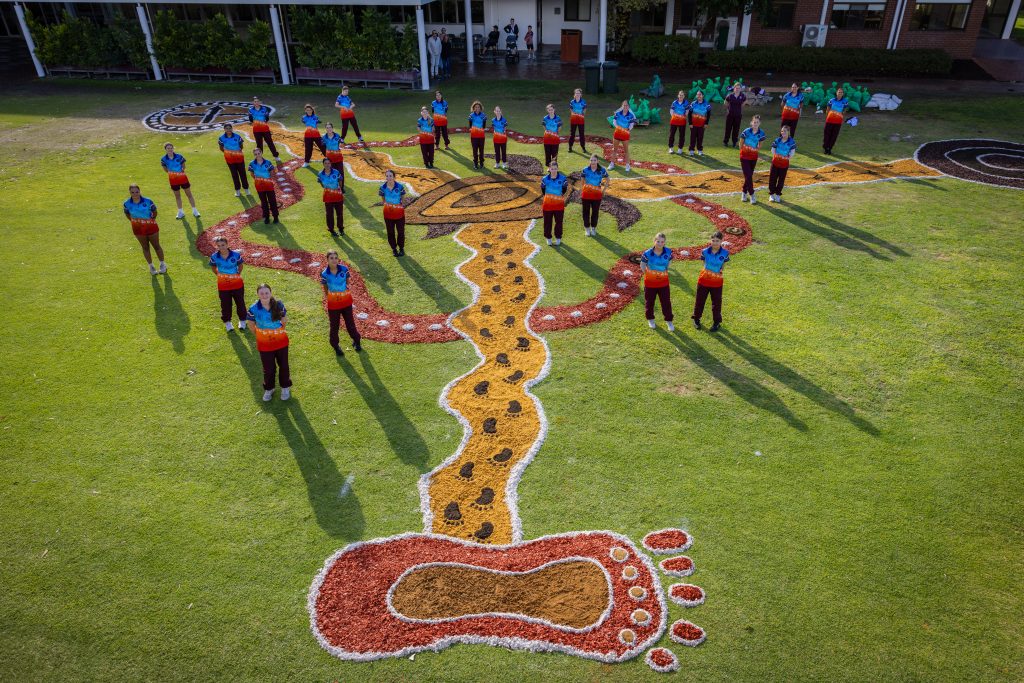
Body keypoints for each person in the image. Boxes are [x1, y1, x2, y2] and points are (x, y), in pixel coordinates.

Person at [246, 283, 291, 401]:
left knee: (284, 365)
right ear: (258, 294)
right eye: (262, 293)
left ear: (270, 293)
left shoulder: (279, 305)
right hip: (264, 344)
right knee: (268, 368)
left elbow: (284, 320)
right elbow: (251, 324)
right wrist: (259, 334)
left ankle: (285, 387)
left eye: (267, 292)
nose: (264, 295)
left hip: (281, 342)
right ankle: (269, 388)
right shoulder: (253, 309)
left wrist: (279, 331)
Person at [320, 249, 362, 355]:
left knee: (350, 324)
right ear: (327, 260)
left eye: (335, 258)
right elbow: (325, 288)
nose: (334, 260)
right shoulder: (324, 274)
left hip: (346, 302)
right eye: (331, 258)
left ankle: (357, 341)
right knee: (334, 326)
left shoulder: (344, 269)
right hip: (333, 305)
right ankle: (336, 346)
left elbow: (347, 282)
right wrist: (330, 296)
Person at [123, 184, 165, 274]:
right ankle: (151, 266)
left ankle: (162, 264)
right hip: (137, 229)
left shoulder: (148, 201)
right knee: (145, 247)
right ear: (130, 193)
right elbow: (127, 214)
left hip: (151, 227)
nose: (135, 194)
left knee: (156, 246)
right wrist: (135, 222)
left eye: (137, 192)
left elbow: (155, 212)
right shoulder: (126, 203)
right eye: (132, 192)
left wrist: (150, 220)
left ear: (140, 191)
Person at [692, 231, 729, 332]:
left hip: (717, 282)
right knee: (700, 300)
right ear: (710, 240)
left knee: (716, 302)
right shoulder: (704, 251)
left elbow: (723, 266)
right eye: (713, 240)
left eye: (717, 241)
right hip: (703, 280)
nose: (715, 243)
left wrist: (718, 272)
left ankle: (716, 323)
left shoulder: (725, 253)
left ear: (721, 241)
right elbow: (704, 263)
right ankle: (696, 319)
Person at [209, 236, 246, 331]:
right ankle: (228, 323)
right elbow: (213, 268)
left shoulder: (236, 255)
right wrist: (219, 274)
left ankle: (242, 321)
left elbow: (240, 265)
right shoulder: (214, 257)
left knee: (240, 302)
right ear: (217, 246)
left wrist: (237, 274)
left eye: (223, 245)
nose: (221, 247)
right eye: (219, 246)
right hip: (223, 285)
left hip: (237, 283)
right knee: (225, 304)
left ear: (227, 244)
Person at [640, 232, 674, 331]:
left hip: (663, 283)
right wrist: (648, 274)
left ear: (664, 243)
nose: (660, 243)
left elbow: (669, 263)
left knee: (666, 302)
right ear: (654, 241)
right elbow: (642, 265)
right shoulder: (647, 253)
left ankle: (669, 321)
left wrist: (664, 271)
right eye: (658, 241)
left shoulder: (668, 252)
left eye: (662, 242)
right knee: (649, 302)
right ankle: (650, 319)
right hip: (650, 283)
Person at [159, 143, 199, 219]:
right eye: (168, 148)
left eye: (171, 148)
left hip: (183, 178)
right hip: (173, 179)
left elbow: (183, 164)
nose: (170, 149)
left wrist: (182, 171)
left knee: (189, 194)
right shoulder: (163, 159)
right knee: (177, 196)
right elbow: (165, 169)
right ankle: (181, 212)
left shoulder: (179, 156)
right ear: (165, 149)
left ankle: (195, 210)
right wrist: (172, 174)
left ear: (173, 148)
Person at [540, 160, 569, 246]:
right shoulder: (544, 179)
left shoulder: (563, 178)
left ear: (558, 169)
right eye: (552, 169)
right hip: (547, 205)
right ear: (549, 169)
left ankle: (558, 238)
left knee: (559, 222)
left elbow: (564, 189)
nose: (554, 170)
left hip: (559, 205)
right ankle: (548, 238)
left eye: (555, 169)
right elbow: (543, 191)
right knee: (547, 221)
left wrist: (557, 197)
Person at [738, 114, 766, 204]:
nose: (755, 124)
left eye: (757, 122)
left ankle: (743, 192)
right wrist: (743, 151)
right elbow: (741, 142)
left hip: (753, 157)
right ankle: (752, 194)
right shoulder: (746, 131)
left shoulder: (761, 133)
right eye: (754, 122)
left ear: (760, 123)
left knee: (748, 176)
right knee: (749, 175)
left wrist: (755, 150)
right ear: (751, 122)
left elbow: (760, 144)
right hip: (744, 156)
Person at [580, 153, 609, 237]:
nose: (593, 162)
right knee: (585, 212)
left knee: (595, 212)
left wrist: (603, 190)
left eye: (594, 160)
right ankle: (587, 229)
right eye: (591, 160)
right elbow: (582, 179)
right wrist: (583, 188)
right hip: (586, 195)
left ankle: (593, 228)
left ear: (597, 161)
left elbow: (608, 179)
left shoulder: (602, 170)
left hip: (597, 195)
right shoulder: (585, 169)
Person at [379, 169, 407, 257]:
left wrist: (401, 206)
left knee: (401, 232)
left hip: (399, 214)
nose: (388, 177)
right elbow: (383, 198)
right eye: (387, 176)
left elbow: (403, 197)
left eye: (390, 176)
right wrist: (387, 205)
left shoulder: (400, 187)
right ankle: (394, 249)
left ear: (394, 177)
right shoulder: (382, 187)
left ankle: (401, 248)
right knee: (390, 232)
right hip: (388, 214)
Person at [218, 123, 250, 197]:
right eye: (227, 128)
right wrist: (228, 153)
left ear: (232, 129)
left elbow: (241, 146)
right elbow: (221, 148)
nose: (228, 130)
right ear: (224, 129)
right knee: (234, 175)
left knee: (243, 174)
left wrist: (236, 153)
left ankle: (246, 189)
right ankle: (237, 190)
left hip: (239, 158)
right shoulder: (221, 138)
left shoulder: (237, 136)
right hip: (229, 160)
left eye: (230, 128)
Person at [248, 147, 279, 224]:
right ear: (254, 155)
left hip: (269, 185)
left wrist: (268, 180)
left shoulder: (268, 162)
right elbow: (252, 174)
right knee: (263, 202)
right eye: (256, 154)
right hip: (259, 186)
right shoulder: (251, 163)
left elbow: (272, 172)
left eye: (259, 153)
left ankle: (275, 217)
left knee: (272, 201)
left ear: (261, 153)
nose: (257, 155)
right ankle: (267, 217)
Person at [768, 125, 796, 203]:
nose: (783, 132)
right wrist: (778, 157)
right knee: (772, 179)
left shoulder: (792, 142)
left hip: (784, 165)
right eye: (782, 131)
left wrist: (785, 158)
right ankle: (771, 195)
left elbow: (792, 153)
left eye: (785, 131)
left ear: (788, 132)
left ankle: (778, 195)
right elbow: (773, 150)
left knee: (781, 180)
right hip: (775, 163)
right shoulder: (777, 140)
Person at [248, 97, 281, 163]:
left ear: (260, 102)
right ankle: (260, 158)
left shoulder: (264, 109)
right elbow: (251, 119)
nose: (256, 103)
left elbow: (267, 118)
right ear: (253, 102)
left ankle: (276, 156)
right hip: (256, 130)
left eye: (257, 101)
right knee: (259, 144)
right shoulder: (251, 110)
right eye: (255, 101)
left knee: (270, 143)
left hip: (265, 129)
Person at [318, 158, 345, 236]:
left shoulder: (336, 172)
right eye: (325, 163)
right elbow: (321, 183)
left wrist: (340, 189)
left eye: (329, 163)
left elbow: (340, 180)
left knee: (339, 213)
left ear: (331, 164)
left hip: (338, 196)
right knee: (329, 214)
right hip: (327, 197)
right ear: (323, 164)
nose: (327, 165)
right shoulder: (320, 174)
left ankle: (341, 229)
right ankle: (331, 230)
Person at [609, 100, 637, 172]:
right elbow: (614, 121)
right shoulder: (617, 113)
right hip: (617, 133)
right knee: (614, 149)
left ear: (629, 107)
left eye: (626, 105)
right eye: (624, 105)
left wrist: (627, 129)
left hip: (625, 134)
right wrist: (618, 128)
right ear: (622, 106)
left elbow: (632, 125)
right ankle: (612, 164)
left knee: (626, 150)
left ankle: (627, 165)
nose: (625, 106)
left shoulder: (631, 115)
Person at [823, 87, 848, 155]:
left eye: (841, 92)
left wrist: (842, 114)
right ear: (836, 93)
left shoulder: (845, 101)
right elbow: (827, 110)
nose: (840, 93)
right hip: (829, 120)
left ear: (843, 94)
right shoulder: (832, 100)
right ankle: (825, 148)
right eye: (839, 92)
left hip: (838, 121)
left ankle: (830, 148)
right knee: (827, 134)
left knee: (834, 135)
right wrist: (828, 117)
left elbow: (845, 109)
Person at [723, 82, 746, 148]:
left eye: (739, 88)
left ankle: (734, 142)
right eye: (736, 88)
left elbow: (744, 102)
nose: (737, 89)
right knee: (728, 129)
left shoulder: (743, 96)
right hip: (730, 115)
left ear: (741, 89)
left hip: (738, 115)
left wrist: (739, 108)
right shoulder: (730, 95)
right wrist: (728, 108)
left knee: (736, 129)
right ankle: (725, 142)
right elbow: (725, 102)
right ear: (734, 88)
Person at [688, 91, 711, 156]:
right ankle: (691, 150)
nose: (699, 96)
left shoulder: (707, 104)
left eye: (700, 94)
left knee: (700, 137)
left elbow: (708, 114)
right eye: (697, 94)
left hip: (702, 124)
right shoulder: (693, 103)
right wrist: (690, 123)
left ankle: (699, 150)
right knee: (693, 137)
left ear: (703, 95)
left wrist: (706, 123)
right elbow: (689, 114)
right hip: (693, 124)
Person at [668, 90, 689, 154]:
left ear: (684, 96)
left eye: (682, 95)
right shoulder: (674, 102)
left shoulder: (686, 103)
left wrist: (683, 117)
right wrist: (675, 117)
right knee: (672, 135)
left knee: (682, 135)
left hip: (682, 121)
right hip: (674, 121)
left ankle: (680, 149)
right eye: (680, 95)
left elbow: (687, 111)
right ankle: (671, 148)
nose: (681, 96)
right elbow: (671, 111)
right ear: (678, 95)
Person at [468, 101, 488, 170]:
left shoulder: (483, 115)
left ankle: (482, 163)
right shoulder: (471, 115)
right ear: (473, 108)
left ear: (480, 108)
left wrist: (482, 129)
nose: (477, 108)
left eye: (478, 107)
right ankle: (475, 163)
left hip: (481, 136)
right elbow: (470, 125)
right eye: (476, 107)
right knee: (475, 150)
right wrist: (472, 129)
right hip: (473, 136)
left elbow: (484, 125)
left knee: (481, 150)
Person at [568, 88, 588, 154]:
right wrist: (574, 114)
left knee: (581, 134)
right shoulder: (572, 102)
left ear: (581, 94)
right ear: (574, 94)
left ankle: (583, 147)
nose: (577, 94)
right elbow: (571, 109)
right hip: (573, 119)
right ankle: (570, 147)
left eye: (579, 93)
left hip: (581, 119)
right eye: (576, 93)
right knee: (572, 134)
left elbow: (585, 109)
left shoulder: (583, 101)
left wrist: (582, 114)